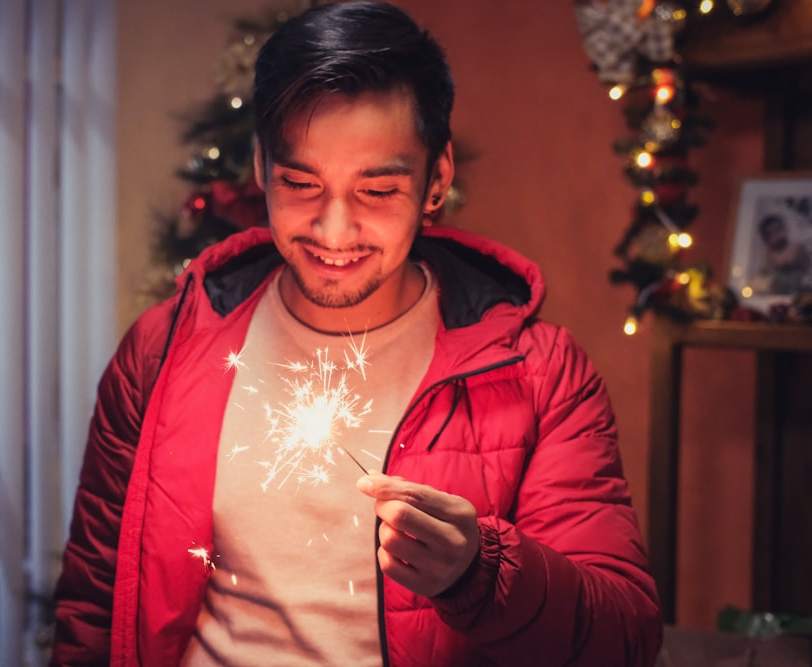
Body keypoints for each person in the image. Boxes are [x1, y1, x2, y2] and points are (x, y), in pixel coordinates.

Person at [50, 2, 663, 665]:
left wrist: (482, 574)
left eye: (376, 191)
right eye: (301, 183)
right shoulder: (162, 350)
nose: (333, 232)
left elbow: (624, 635)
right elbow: (92, 608)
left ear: (437, 180)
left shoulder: (541, 375)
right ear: (260, 168)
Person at [755, 213, 812, 294]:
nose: (777, 235)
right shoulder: (767, 257)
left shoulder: (798, 248)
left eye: (778, 229)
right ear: (766, 240)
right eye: (771, 233)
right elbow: (765, 281)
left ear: (785, 229)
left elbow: (808, 272)